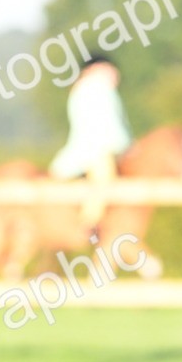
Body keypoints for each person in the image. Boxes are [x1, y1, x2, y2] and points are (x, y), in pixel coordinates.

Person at [48, 56, 132, 233]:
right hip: (95, 150)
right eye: (109, 70)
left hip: (83, 148)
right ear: (96, 68)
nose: (114, 75)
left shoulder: (83, 89)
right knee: (104, 178)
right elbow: (110, 126)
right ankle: (89, 223)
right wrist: (126, 145)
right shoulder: (97, 88)